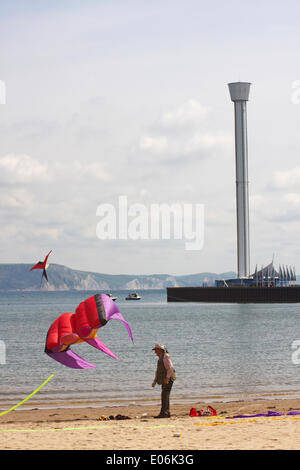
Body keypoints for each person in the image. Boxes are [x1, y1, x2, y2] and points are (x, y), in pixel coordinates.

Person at [152, 343, 176, 418]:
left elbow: (171, 368)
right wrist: (155, 380)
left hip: (168, 379)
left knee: (164, 395)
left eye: (156, 350)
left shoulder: (165, 356)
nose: (155, 352)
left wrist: (167, 378)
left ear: (159, 350)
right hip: (165, 379)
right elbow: (158, 370)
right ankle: (166, 412)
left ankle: (164, 413)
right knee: (165, 395)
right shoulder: (161, 357)